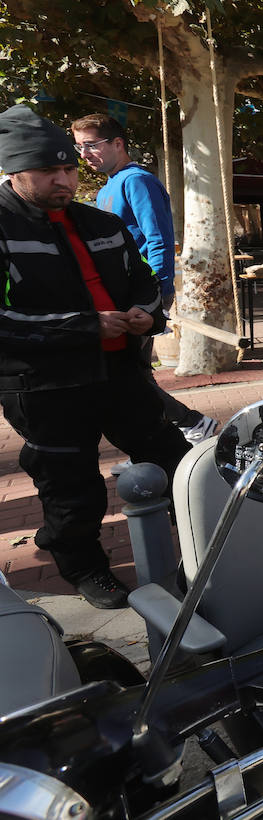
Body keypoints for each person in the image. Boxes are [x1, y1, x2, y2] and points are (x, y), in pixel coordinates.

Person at [0, 105, 190, 608]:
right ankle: (83, 565)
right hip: (44, 385)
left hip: (120, 371)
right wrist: (84, 327)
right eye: (49, 173)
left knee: (175, 459)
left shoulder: (100, 221)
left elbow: (144, 283)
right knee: (71, 481)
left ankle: (203, 548)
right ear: (15, 173)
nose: (64, 180)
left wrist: (148, 314)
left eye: (69, 169)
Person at [69, 114, 218, 462]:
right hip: (116, 297)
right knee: (131, 375)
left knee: (130, 378)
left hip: (140, 295)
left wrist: (158, 295)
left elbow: (158, 238)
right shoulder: (108, 187)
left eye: (91, 144)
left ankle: (190, 425)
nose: (84, 154)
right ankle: (156, 443)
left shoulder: (137, 181)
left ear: (117, 143)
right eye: (79, 147)